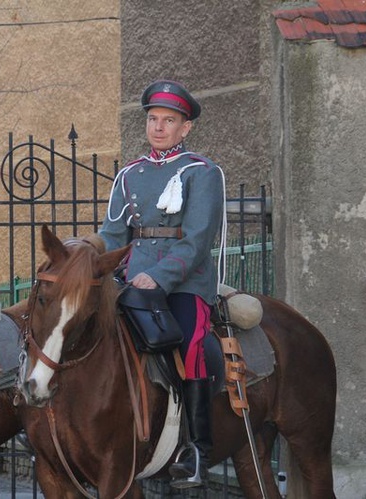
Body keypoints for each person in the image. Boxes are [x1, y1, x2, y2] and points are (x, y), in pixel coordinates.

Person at [98, 80, 225, 488]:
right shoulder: (129, 174)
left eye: (168, 121)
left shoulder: (202, 173)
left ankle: (198, 451)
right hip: (131, 275)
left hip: (184, 281)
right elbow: (113, 236)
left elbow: (198, 240)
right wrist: (84, 256)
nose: (158, 127)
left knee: (189, 342)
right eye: (153, 119)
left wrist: (159, 275)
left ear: (184, 128)